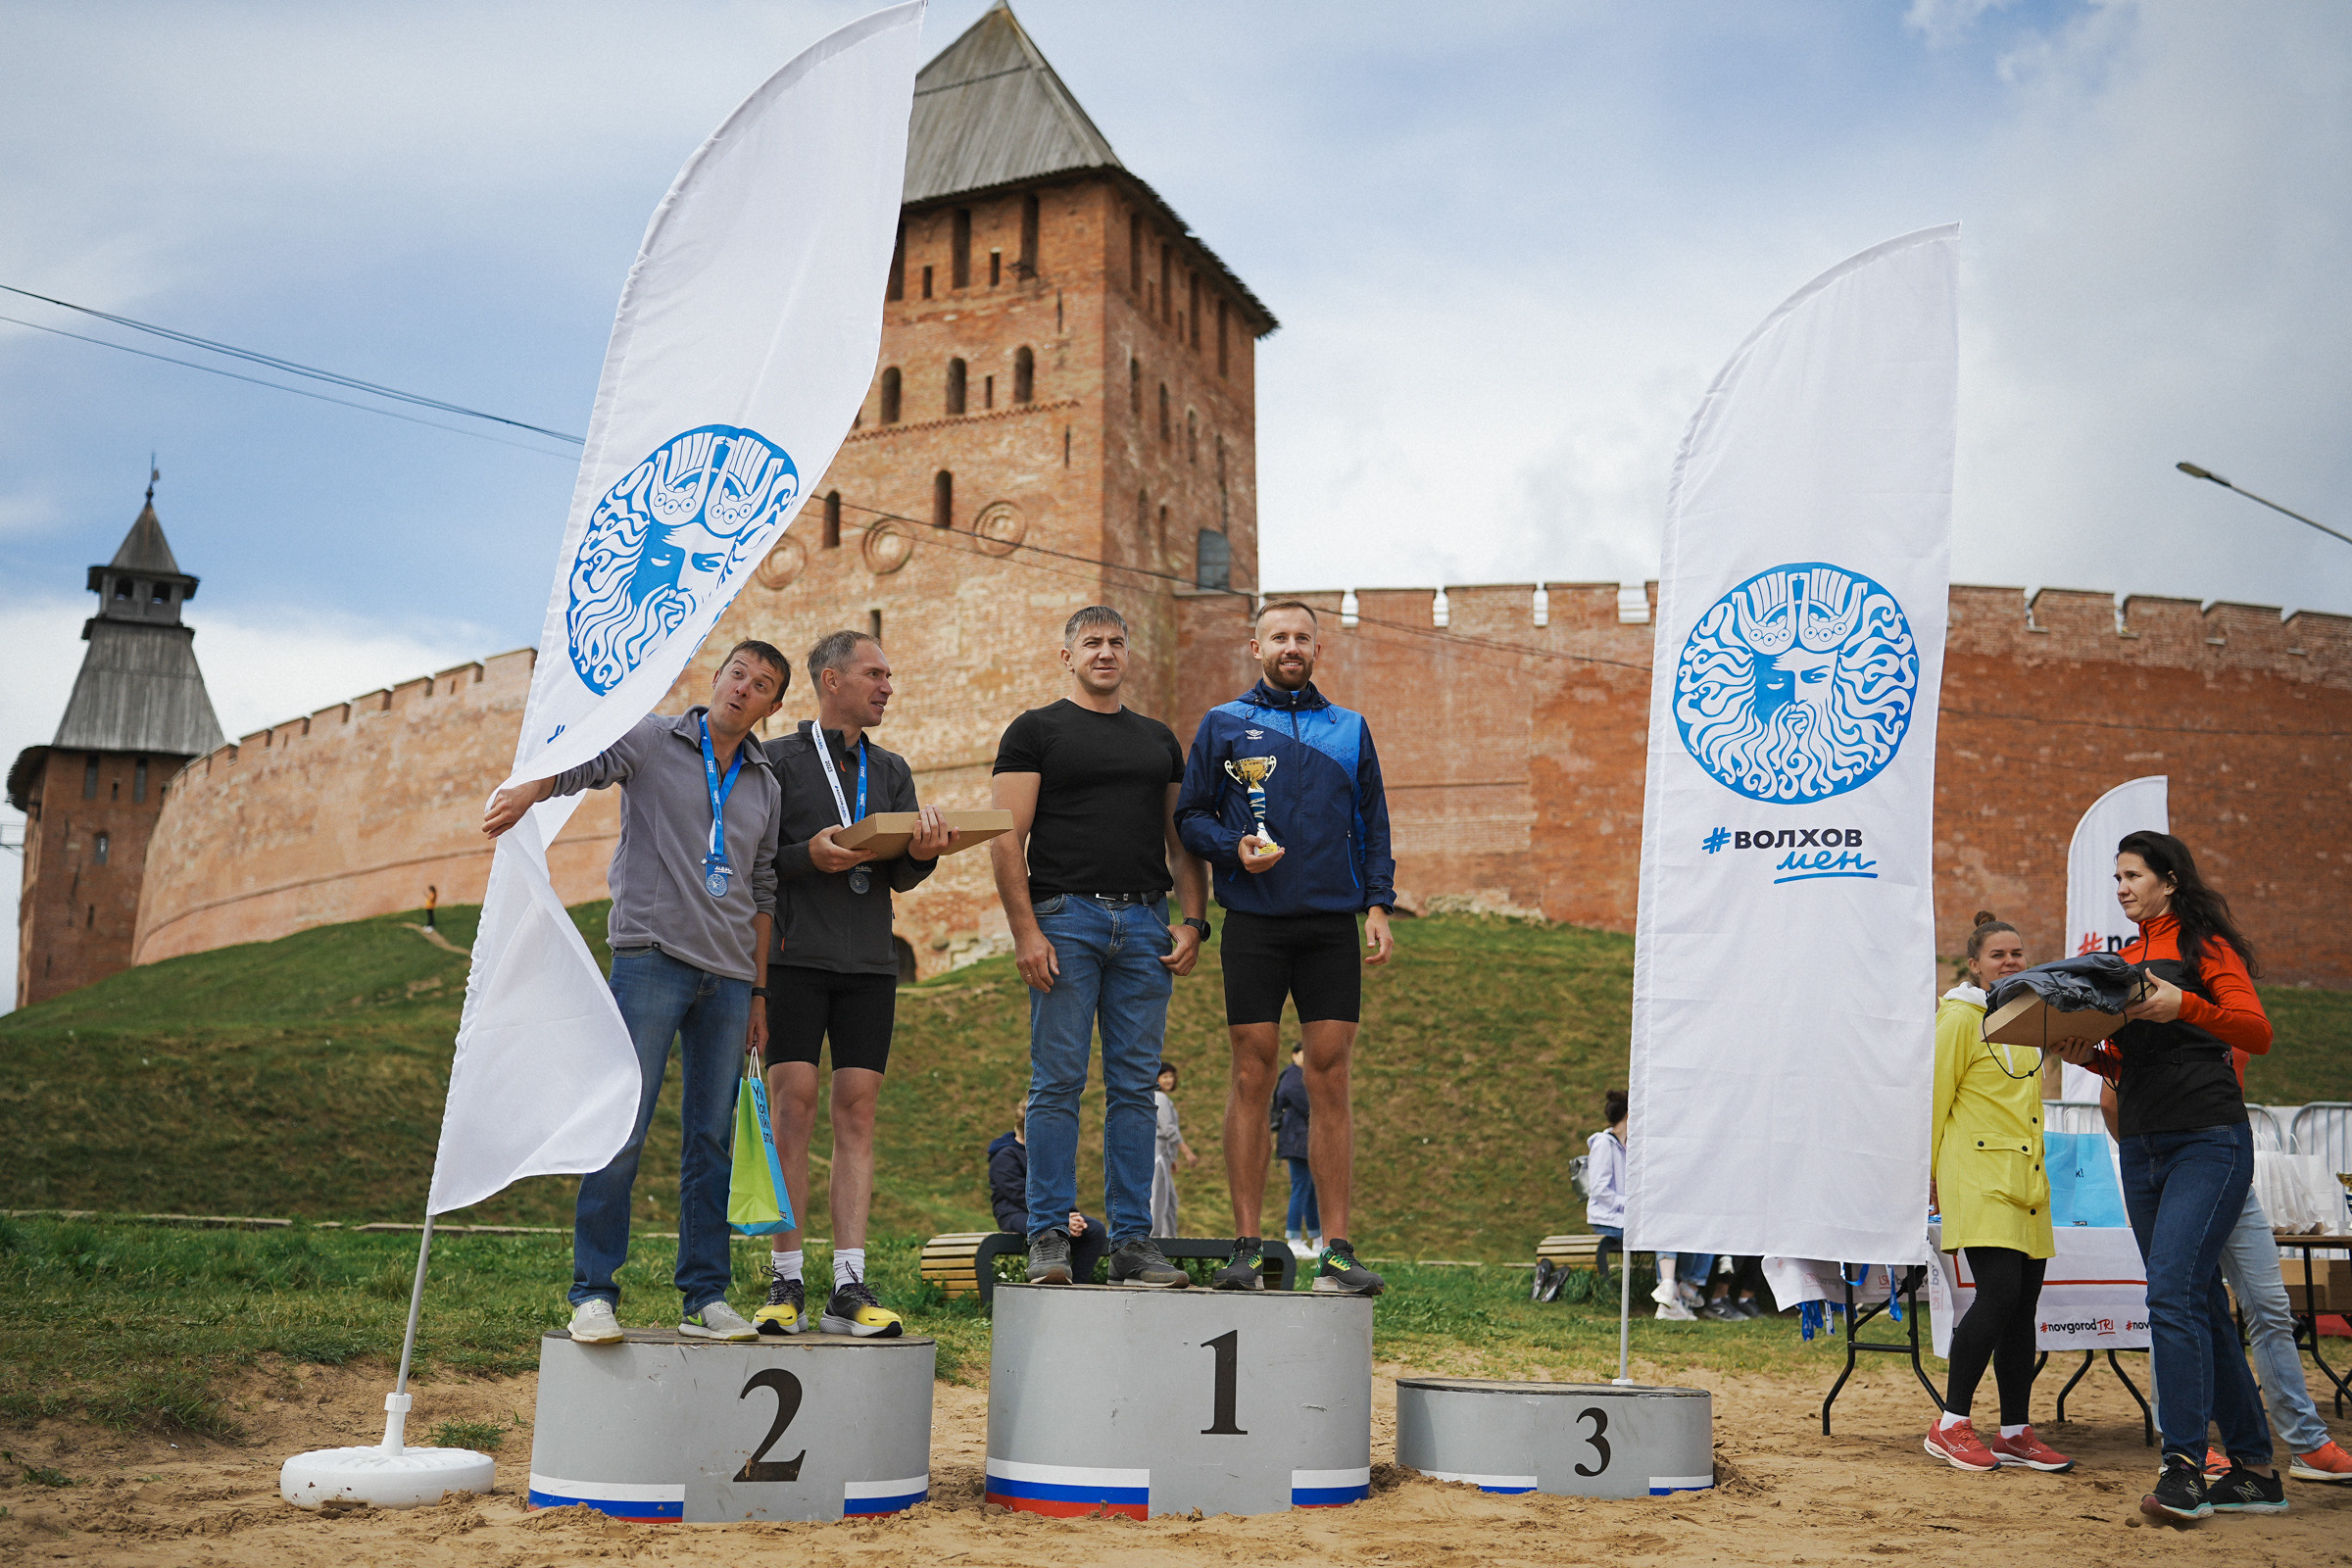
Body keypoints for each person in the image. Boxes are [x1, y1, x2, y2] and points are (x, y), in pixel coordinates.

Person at [483, 641, 788, 1345]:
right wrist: (533, 786)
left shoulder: (766, 785)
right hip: (652, 958)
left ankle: (704, 1296)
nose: (744, 689)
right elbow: (591, 761)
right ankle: (593, 1292)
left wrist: (760, 991)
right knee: (622, 1126)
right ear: (718, 678)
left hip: (732, 977)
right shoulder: (654, 738)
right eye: (738, 673)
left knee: (710, 1140)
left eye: (762, 685)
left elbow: (764, 886)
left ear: (774, 706)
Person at [2056, 830, 2283, 1521]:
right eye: (2117, 877)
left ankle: (2183, 1466)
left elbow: (2255, 1031)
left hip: (2208, 1141)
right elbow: (2132, 1061)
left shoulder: (2202, 949)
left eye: (2133, 875)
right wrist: (2089, 1055)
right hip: (2144, 1145)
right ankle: (2254, 1472)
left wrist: (2183, 1004)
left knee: (2171, 1295)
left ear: (2169, 880)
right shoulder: (2120, 961)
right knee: (2200, 1303)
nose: (2122, 887)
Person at [1175, 599, 1395, 1297]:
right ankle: (1246, 1246)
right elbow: (1189, 816)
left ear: (1317, 649)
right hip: (1255, 923)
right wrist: (1232, 849)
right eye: (1278, 637)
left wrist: (1379, 904)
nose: (1291, 646)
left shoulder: (1351, 729)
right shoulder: (1222, 725)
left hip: (1331, 924)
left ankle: (1335, 1251)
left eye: (1302, 636)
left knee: (1328, 1077)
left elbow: (1374, 823)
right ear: (1255, 646)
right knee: (1253, 1073)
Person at [990, 605, 1208, 1289]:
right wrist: (1026, 930)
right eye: (1092, 642)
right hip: (1064, 922)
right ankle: (1049, 1236)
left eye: (1116, 641)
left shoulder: (1157, 740)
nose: (1105, 652)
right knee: (1056, 1084)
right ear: (1068, 656)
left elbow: (1182, 840)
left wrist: (1194, 921)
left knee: (1134, 1090)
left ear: (1128, 653)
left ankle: (1134, 1244)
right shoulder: (1036, 731)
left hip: (1145, 925)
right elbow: (1004, 836)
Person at [752, 630, 956, 1340]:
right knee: (794, 1107)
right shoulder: (774, 760)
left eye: (890, 675)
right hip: (795, 959)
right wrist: (805, 857)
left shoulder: (892, 768)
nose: (887, 686)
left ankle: (848, 1283)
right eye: (875, 674)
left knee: (858, 1111)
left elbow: (896, 871)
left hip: (870, 963)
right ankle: (784, 1280)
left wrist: (925, 857)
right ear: (830, 680)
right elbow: (754, 860)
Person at [2099, 1072, 2352, 1485]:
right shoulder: (2188, 1017)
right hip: (2197, 1169)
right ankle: (2199, 1443)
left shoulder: (2220, 1019)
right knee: (2185, 1298)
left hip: (2227, 1173)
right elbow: (2111, 1102)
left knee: (2207, 1301)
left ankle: (2296, 1443)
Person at [1923, 912, 2073, 1474]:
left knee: (2022, 1307)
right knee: (1998, 1295)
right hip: (1978, 1178)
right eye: (1998, 955)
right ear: (1975, 963)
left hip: (2028, 1181)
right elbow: (1935, 1096)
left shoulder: (2030, 1018)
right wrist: (1928, 1173)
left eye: (2017, 954)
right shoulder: (1960, 1017)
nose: (2010, 962)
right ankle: (1951, 1423)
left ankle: (2015, 1430)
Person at [988, 1101, 1108, 1283]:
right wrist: (1060, 1218)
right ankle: (1046, 1276)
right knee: (1048, 1225)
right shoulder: (1005, 1156)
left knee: (1094, 1230)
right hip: (1015, 1214)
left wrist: (1072, 1214)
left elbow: (1061, 1186)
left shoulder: (1048, 1154)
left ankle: (1077, 1283)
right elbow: (1019, 1195)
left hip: (1053, 1212)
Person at [1273, 1043, 1321, 1259]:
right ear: (1294, 1055)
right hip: (1296, 1140)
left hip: (1301, 1140)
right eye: (1304, 1053)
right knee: (1301, 1186)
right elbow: (1290, 1092)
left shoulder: (1299, 1074)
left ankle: (1318, 1240)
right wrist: (1315, 1112)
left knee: (1309, 1189)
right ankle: (1293, 1240)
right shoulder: (1294, 1074)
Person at [1584, 1089, 1627, 1283]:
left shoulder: (1627, 1146)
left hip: (1623, 1218)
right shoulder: (1604, 1144)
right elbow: (1599, 1190)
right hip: (1607, 1221)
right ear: (1628, 1116)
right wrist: (1629, 1205)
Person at [1152, 1062, 1198, 1236]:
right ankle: (1153, 1239)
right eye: (1165, 1077)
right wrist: (1187, 1152)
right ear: (1156, 1079)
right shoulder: (1159, 1097)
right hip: (1158, 1155)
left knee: (1170, 1201)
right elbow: (1168, 1129)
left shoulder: (1160, 1098)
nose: (1169, 1080)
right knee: (1158, 1201)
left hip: (1163, 1156)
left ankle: (1170, 1240)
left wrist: (1171, 1160)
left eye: (1171, 1076)